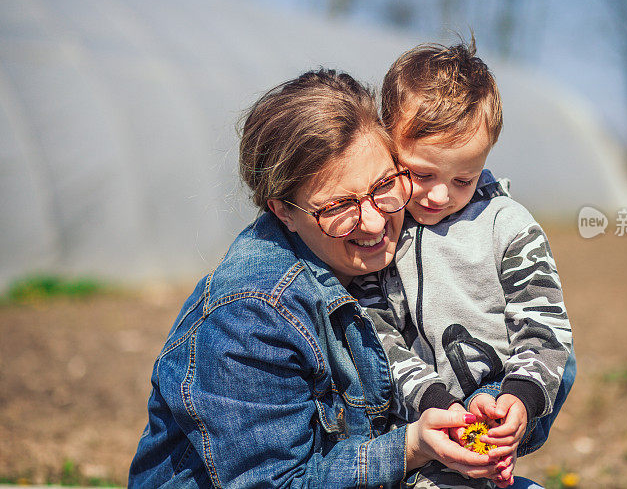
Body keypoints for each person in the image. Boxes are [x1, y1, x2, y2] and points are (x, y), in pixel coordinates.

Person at [128, 69, 505, 488]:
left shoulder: (413, 250)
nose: (375, 220)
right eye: (339, 205)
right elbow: (274, 483)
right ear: (283, 210)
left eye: (384, 184)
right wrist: (411, 447)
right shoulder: (255, 313)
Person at [352, 40, 576, 488]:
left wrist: (521, 399)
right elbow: (378, 334)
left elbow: (545, 328)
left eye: (463, 180)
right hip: (413, 415)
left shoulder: (508, 227)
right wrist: (433, 400)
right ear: (388, 142)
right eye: (421, 174)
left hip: (493, 397)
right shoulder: (381, 225)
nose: (439, 196)